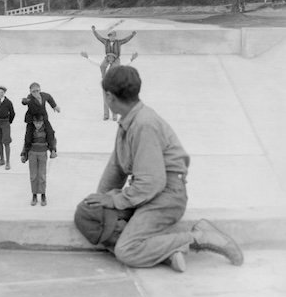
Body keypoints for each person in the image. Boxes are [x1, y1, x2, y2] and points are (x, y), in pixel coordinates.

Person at [74, 65, 244, 272]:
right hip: (146, 193)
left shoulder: (144, 124)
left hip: (167, 196)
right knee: (86, 213)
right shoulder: (129, 121)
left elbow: (152, 182)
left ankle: (200, 237)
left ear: (109, 97)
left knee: (126, 251)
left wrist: (115, 200)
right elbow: (116, 168)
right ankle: (165, 251)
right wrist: (100, 203)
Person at [81, 50, 139, 121]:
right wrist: (87, 57)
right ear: (107, 58)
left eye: (112, 57)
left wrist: (132, 59)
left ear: (114, 58)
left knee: (114, 100)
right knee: (105, 100)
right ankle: (106, 115)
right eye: (109, 57)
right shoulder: (104, 65)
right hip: (105, 84)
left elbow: (125, 64)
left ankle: (114, 116)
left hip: (114, 84)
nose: (110, 58)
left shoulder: (117, 65)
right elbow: (95, 62)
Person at [21, 114, 55, 206]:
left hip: (43, 153)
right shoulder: (30, 130)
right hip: (32, 153)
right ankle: (34, 194)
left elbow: (52, 139)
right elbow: (26, 141)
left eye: (40, 123)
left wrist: (53, 150)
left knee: (42, 175)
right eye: (36, 123)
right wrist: (24, 154)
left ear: (43, 122)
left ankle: (43, 194)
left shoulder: (46, 129)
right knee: (33, 175)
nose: (38, 125)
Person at [21, 82, 60, 157]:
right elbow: (25, 102)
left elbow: (49, 98)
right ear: (30, 91)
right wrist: (24, 101)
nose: (35, 93)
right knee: (29, 135)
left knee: (50, 132)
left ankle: (52, 150)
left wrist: (54, 106)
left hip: (43, 117)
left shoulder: (44, 95)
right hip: (32, 118)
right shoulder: (30, 97)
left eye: (37, 91)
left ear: (40, 90)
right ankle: (25, 153)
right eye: (33, 91)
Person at [0, 85, 15, 169]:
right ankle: (2, 159)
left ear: (4, 93)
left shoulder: (8, 102)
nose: (0, 94)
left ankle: (8, 161)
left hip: (5, 122)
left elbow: (12, 113)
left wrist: (9, 121)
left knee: (6, 141)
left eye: (2, 92)